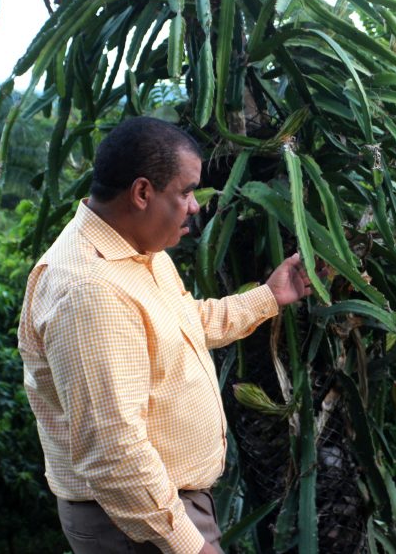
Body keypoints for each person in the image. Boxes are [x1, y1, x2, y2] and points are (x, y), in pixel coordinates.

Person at [18, 117, 312, 554]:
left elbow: (183, 323)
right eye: (186, 191)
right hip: (136, 524)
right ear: (142, 193)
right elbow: (115, 454)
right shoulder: (89, 292)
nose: (195, 206)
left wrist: (270, 296)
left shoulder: (136, 251)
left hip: (152, 512)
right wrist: (190, 546)